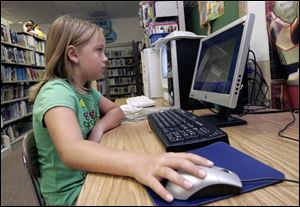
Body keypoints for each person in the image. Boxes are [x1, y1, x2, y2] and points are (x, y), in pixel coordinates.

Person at [29, 15, 214, 206]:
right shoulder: (56, 92)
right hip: (71, 195)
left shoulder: (86, 90)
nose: (106, 58)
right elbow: (72, 151)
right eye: (99, 51)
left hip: (88, 177)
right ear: (74, 54)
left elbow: (117, 111)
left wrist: (98, 129)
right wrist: (140, 162)